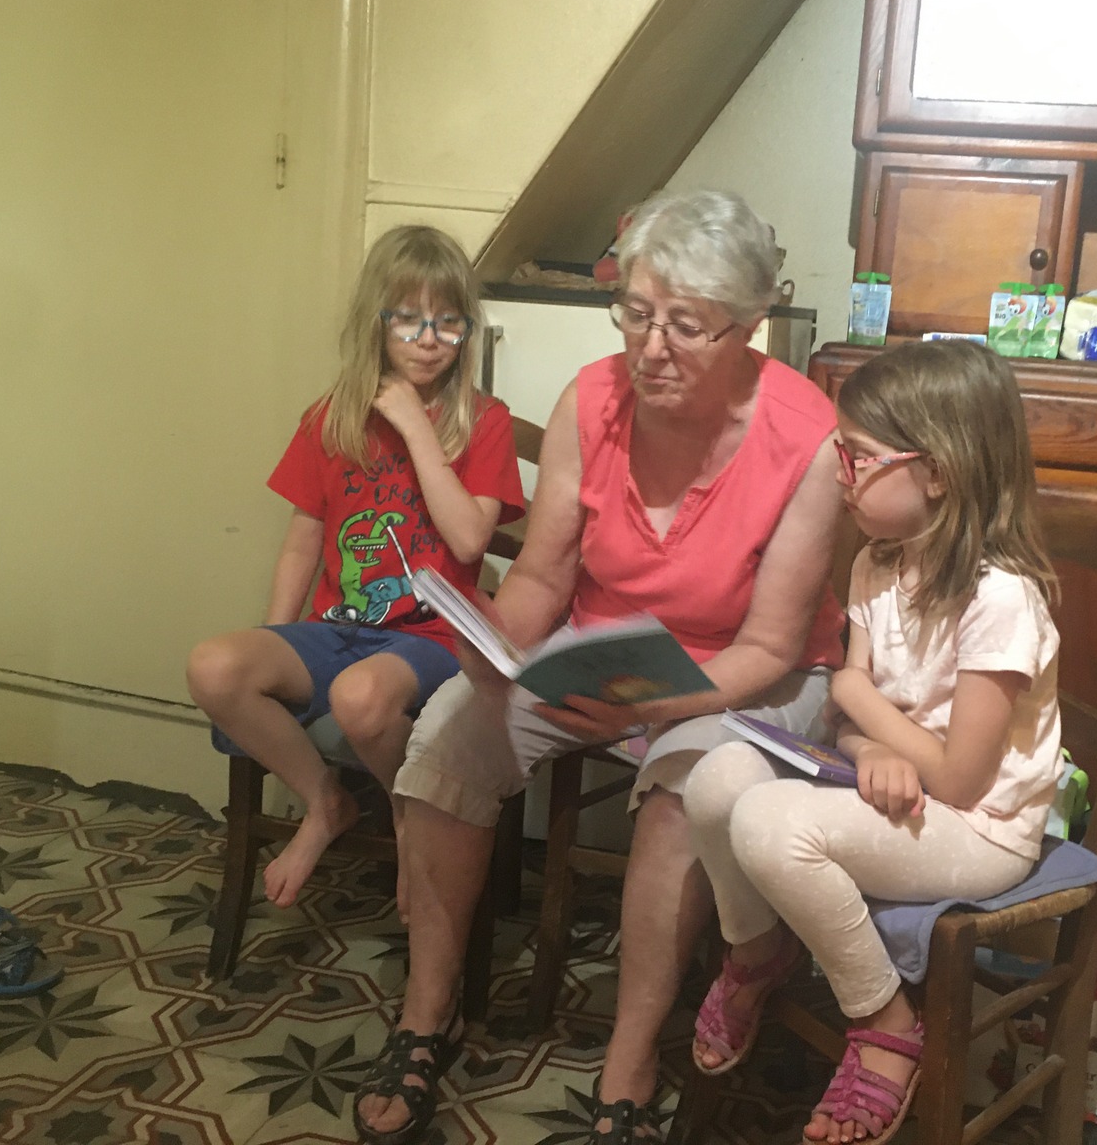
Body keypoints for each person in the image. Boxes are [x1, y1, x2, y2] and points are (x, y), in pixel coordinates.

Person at [352, 189, 845, 1145]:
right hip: (604, 654)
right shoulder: (591, 398)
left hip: (750, 674)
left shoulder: (808, 437)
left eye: (686, 326)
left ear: (750, 325)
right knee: (450, 733)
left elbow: (772, 647)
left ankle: (631, 1054)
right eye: (636, 313)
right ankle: (427, 1014)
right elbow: (544, 574)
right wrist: (495, 642)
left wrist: (649, 712)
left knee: (678, 793)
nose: (650, 348)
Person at [684, 340, 1063, 1145]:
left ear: (937, 472)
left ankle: (886, 1018)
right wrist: (865, 747)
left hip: (982, 829)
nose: (839, 475)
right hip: (902, 791)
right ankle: (757, 953)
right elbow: (851, 721)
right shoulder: (876, 565)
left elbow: (959, 780)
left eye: (857, 457)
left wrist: (853, 696)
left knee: (769, 824)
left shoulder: (1000, 600)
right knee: (716, 778)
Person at [186, 225, 525, 909]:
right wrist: (276, 636)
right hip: (336, 629)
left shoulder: (484, 421)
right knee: (214, 666)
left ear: (467, 330)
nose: (428, 339)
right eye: (408, 319)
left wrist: (417, 428)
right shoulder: (331, 418)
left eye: (448, 321)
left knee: (360, 699)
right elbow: (303, 542)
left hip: (433, 637)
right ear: (376, 320)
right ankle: (326, 802)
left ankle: (408, 815)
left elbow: (468, 543)